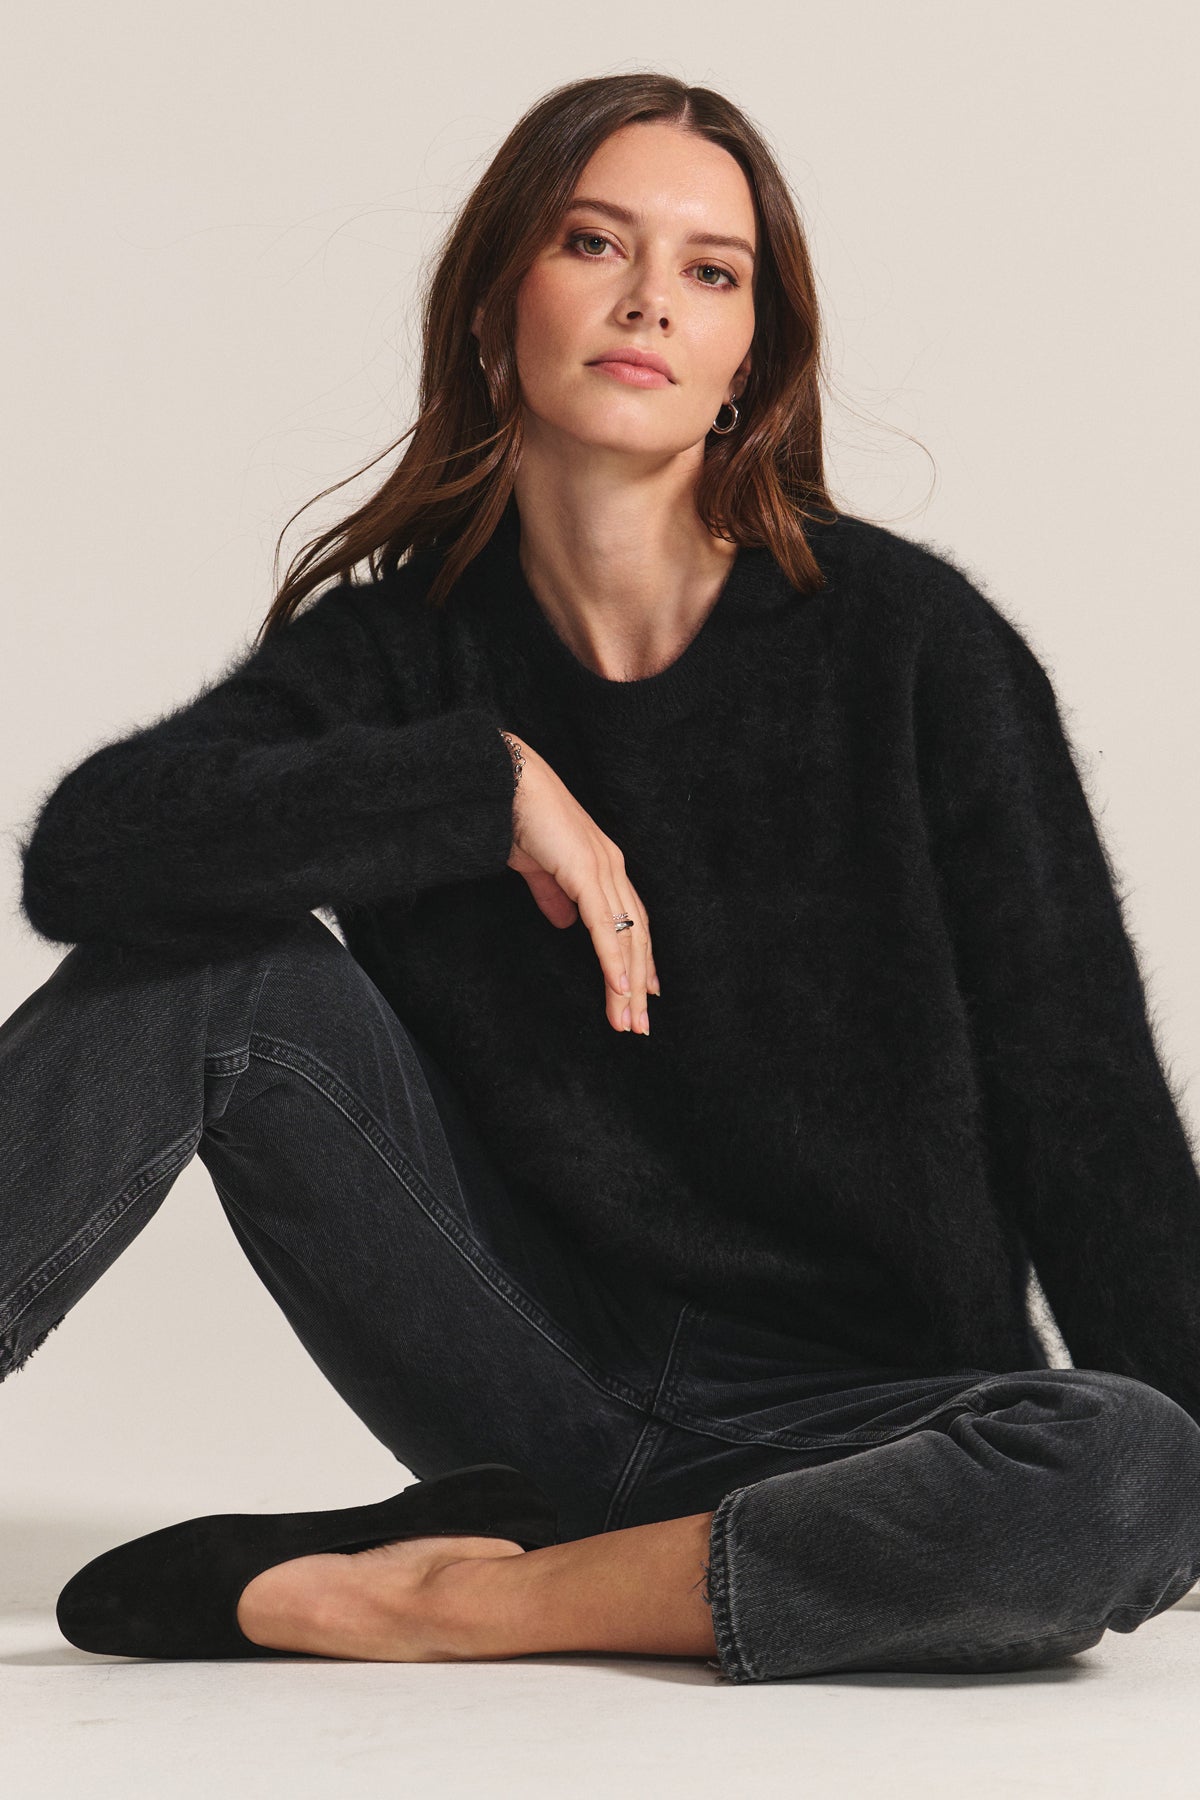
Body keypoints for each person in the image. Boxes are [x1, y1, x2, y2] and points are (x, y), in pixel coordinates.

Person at [5, 72, 1200, 1685]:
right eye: (595, 241)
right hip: (526, 1364)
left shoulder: (912, 649)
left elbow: (1089, 1111)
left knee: (1130, 1463)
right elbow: (94, 854)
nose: (650, 298)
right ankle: (589, 1552)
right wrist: (473, 786)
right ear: (499, 308)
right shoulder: (397, 652)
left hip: (861, 1428)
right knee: (205, 968)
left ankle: (458, 1597)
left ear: (749, 364)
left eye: (712, 270)